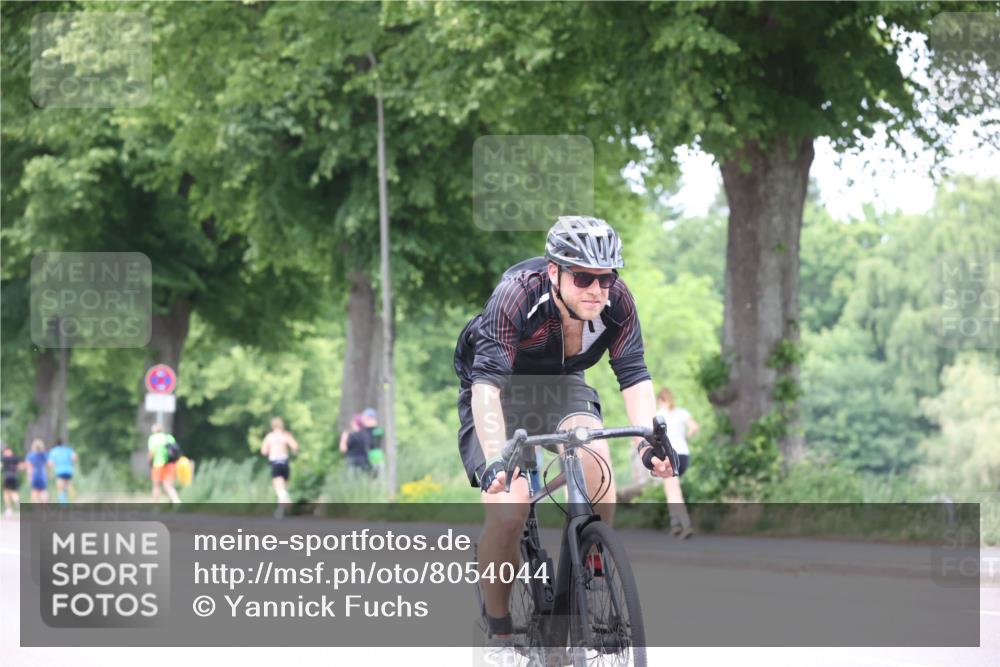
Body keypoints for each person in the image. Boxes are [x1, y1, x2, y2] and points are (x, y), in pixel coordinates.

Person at [453, 216, 673, 656]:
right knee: (509, 511)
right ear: (554, 273)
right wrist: (497, 455)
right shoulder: (516, 295)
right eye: (583, 278)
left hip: (564, 382)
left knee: (595, 461)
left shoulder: (617, 302)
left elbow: (633, 375)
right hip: (498, 387)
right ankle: (499, 627)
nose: (597, 289)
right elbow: (486, 387)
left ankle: (594, 564)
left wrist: (648, 443)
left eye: (606, 277)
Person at [655, 387, 700, 539]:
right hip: (684, 454)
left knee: (673, 492)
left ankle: (685, 525)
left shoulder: (658, 415)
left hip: (670, 455)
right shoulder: (681, 412)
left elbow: (654, 437)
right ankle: (675, 525)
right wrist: (685, 438)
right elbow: (694, 427)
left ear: (660, 400)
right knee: (671, 489)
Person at [261, 416, 299, 515]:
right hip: (285, 462)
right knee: (283, 488)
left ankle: (287, 500)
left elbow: (264, 451)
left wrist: (271, 450)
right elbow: (295, 446)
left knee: (279, 488)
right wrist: (293, 452)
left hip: (275, 462)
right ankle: (280, 512)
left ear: (273, 425)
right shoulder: (286, 435)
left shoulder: (270, 436)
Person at [147, 423, 181, 504]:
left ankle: (156, 506)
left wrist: (149, 462)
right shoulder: (169, 437)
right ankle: (177, 501)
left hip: (158, 464)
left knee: (156, 485)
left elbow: (151, 452)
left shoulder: (153, 438)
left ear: (154, 430)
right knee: (168, 485)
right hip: (170, 464)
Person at [340, 411, 374, 476]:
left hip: (353, 463)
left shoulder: (352, 436)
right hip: (364, 463)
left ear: (355, 423)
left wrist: (343, 438)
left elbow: (343, 449)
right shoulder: (366, 435)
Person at [48, 439, 78, 505]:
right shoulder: (68, 449)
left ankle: (63, 504)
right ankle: (75, 500)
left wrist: (54, 466)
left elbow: (50, 463)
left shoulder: (53, 451)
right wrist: (71, 463)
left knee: (61, 488)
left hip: (59, 471)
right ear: (63, 444)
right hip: (69, 470)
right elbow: (75, 457)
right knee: (68, 485)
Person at [25, 439, 49, 505]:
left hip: (34, 475)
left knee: (34, 491)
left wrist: (29, 477)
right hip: (42, 475)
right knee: (43, 491)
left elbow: (29, 468)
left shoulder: (30, 455)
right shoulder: (44, 455)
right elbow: (47, 465)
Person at [2, 445, 23, 517]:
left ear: (6, 452)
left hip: (7, 477)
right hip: (15, 477)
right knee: (13, 492)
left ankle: (9, 509)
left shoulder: (4, 458)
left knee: (6, 493)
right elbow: (21, 466)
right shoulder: (15, 458)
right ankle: (18, 503)